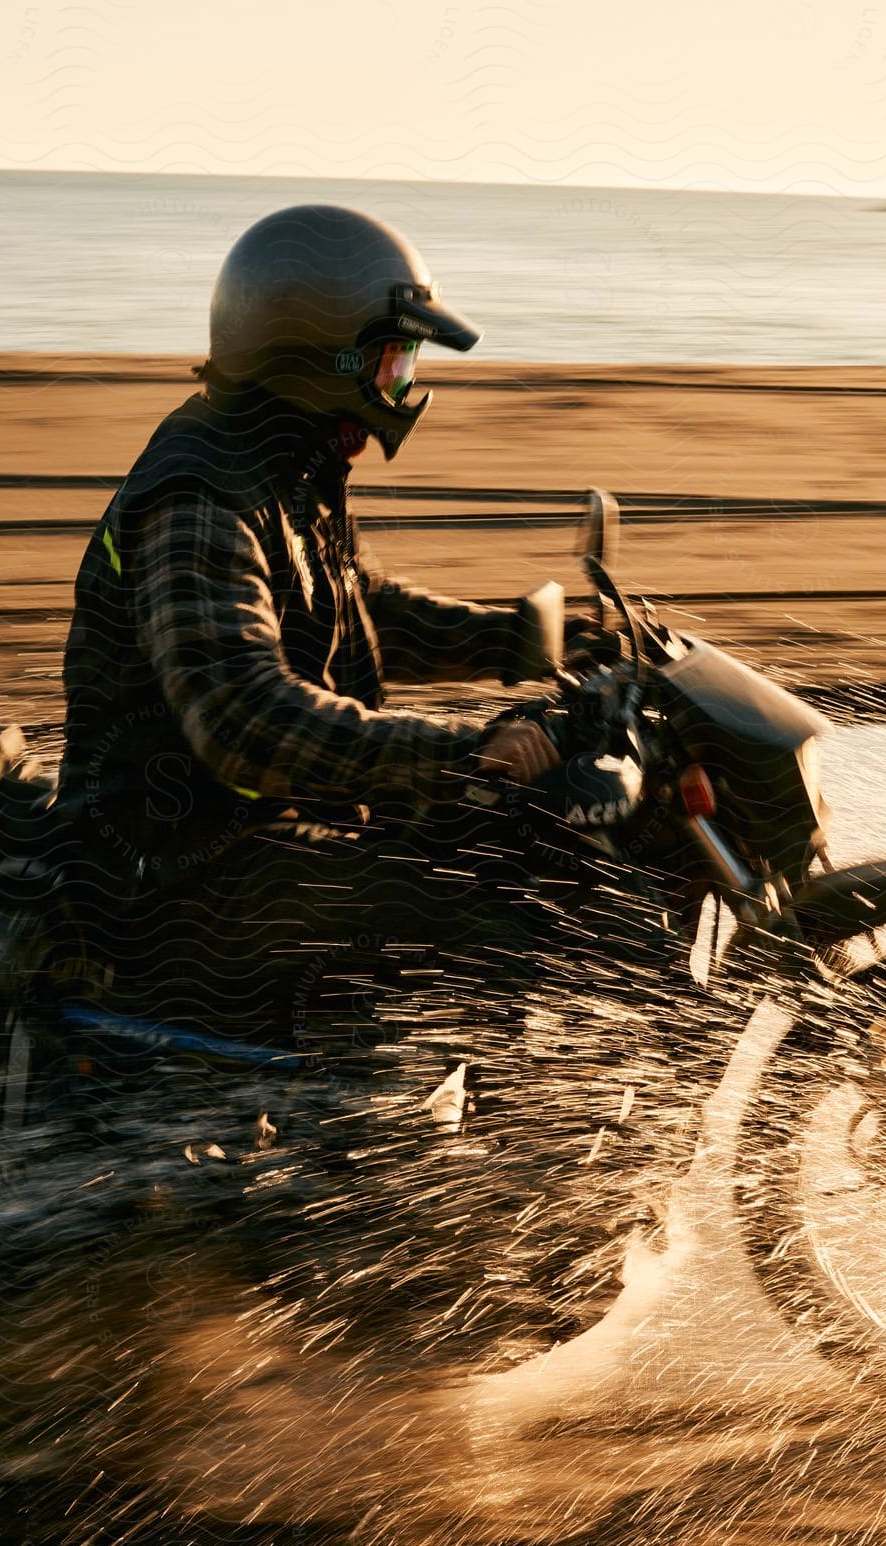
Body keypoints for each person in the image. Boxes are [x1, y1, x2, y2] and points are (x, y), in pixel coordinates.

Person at [57, 203, 579, 1040]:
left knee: (530, 840)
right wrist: (460, 751)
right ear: (322, 356)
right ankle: (433, 1148)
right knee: (490, 910)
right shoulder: (202, 500)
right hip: (179, 878)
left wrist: (524, 640)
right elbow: (246, 719)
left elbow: (354, 607)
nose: (402, 383)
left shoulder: (284, 465)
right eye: (391, 357)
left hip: (260, 832)